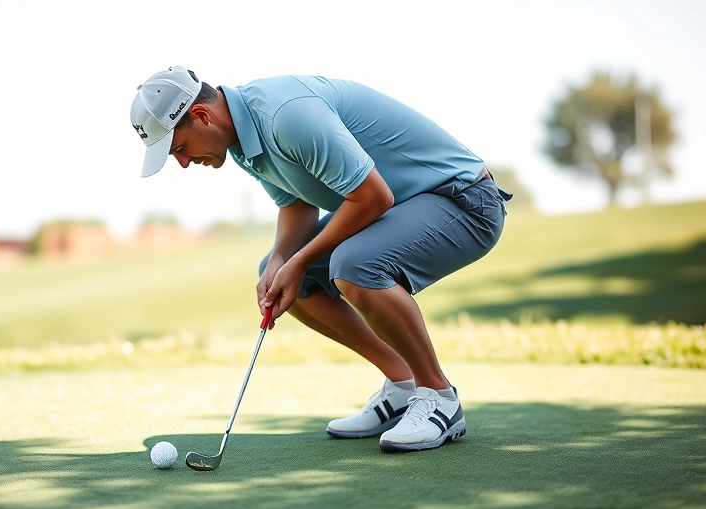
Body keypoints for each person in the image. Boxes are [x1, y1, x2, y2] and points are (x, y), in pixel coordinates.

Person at [129, 66, 511, 452]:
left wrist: (297, 261)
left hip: (464, 200)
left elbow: (374, 197)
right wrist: (282, 257)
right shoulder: (241, 139)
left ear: (201, 116)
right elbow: (297, 203)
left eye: (179, 148)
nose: (182, 162)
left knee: (354, 264)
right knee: (279, 273)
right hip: (406, 207)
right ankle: (403, 383)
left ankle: (439, 398)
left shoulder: (285, 116)